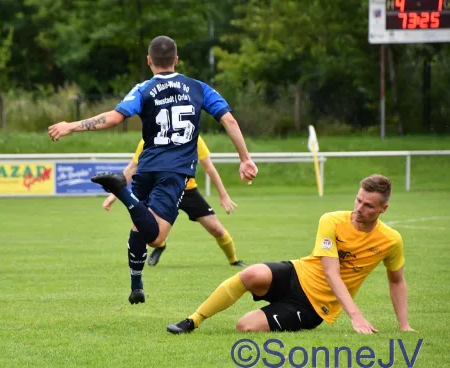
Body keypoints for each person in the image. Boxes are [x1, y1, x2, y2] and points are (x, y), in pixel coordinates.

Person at [49, 35, 258, 305]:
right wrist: (245, 158)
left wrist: (71, 125)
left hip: (146, 167)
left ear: (149, 60)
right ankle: (121, 191)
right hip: (175, 172)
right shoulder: (198, 87)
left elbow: (113, 118)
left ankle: (136, 286)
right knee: (156, 236)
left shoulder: (143, 89)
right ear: (176, 60)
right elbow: (228, 118)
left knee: (139, 228)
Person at [167, 174, 416, 335]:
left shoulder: (391, 240)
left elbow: (396, 281)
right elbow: (331, 272)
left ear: (383, 209)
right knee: (251, 273)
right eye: (358, 200)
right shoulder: (331, 220)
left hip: (313, 307)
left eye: (368, 205)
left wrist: (404, 326)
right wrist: (356, 316)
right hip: (296, 272)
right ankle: (193, 320)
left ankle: (279, 312)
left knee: (245, 326)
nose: (359, 209)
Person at [102, 136, 247, 267]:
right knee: (149, 233)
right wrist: (113, 195)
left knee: (216, 229)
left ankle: (234, 260)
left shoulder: (193, 137)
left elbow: (209, 167)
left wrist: (223, 194)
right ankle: (161, 245)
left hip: (188, 191)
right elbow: (133, 167)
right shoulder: (149, 137)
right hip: (162, 192)